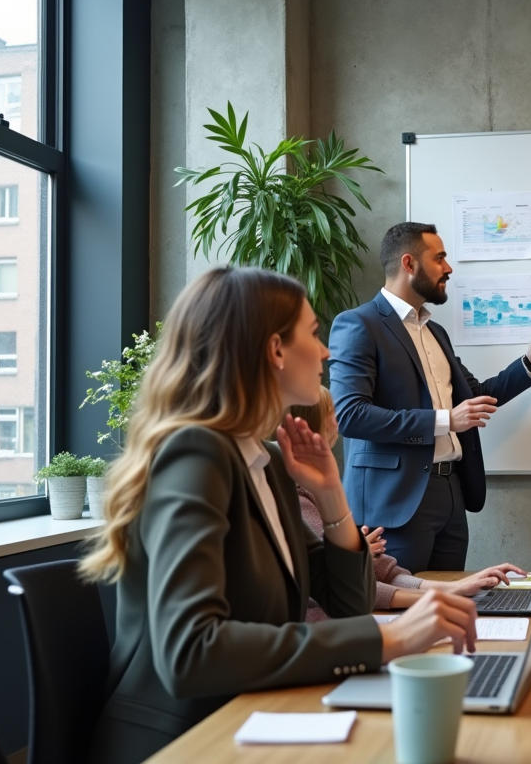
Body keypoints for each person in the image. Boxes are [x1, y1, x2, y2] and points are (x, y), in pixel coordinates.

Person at [81, 267, 481, 764]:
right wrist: (388, 635)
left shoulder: (265, 461)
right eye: (313, 335)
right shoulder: (195, 454)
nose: (327, 352)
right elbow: (191, 652)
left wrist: (332, 496)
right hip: (184, 739)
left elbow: (347, 604)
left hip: (253, 714)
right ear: (274, 350)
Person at [329, 221, 531, 573]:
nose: (448, 268)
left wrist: (530, 363)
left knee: (446, 604)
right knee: (401, 610)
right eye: (440, 258)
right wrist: (445, 420)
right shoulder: (359, 324)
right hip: (395, 502)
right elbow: (350, 415)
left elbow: (474, 398)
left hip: (450, 492)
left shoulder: (436, 332)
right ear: (408, 264)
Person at [290, 387, 528, 616]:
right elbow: (337, 585)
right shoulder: (297, 496)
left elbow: (383, 572)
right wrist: (442, 596)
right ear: (307, 427)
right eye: (332, 414)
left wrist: (457, 587)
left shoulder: (322, 489)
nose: (338, 422)